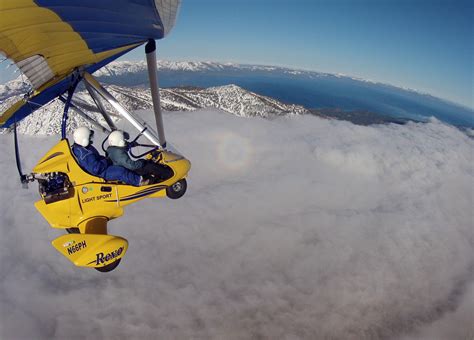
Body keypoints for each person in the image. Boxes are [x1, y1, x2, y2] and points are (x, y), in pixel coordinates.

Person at [71, 127, 146, 186]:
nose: (91, 139)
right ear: (84, 139)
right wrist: (107, 161)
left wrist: (105, 159)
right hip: (100, 173)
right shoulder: (84, 154)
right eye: (89, 137)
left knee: (120, 166)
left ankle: (137, 176)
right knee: (120, 171)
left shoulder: (82, 148)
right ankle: (139, 182)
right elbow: (96, 169)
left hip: (100, 166)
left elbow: (95, 159)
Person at [107, 130, 173, 183]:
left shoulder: (112, 150)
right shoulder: (119, 153)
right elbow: (131, 166)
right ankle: (168, 175)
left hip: (124, 168)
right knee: (149, 166)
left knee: (145, 163)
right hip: (129, 170)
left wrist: (130, 145)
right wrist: (142, 162)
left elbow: (123, 148)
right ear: (120, 142)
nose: (125, 142)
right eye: (124, 141)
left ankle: (153, 177)